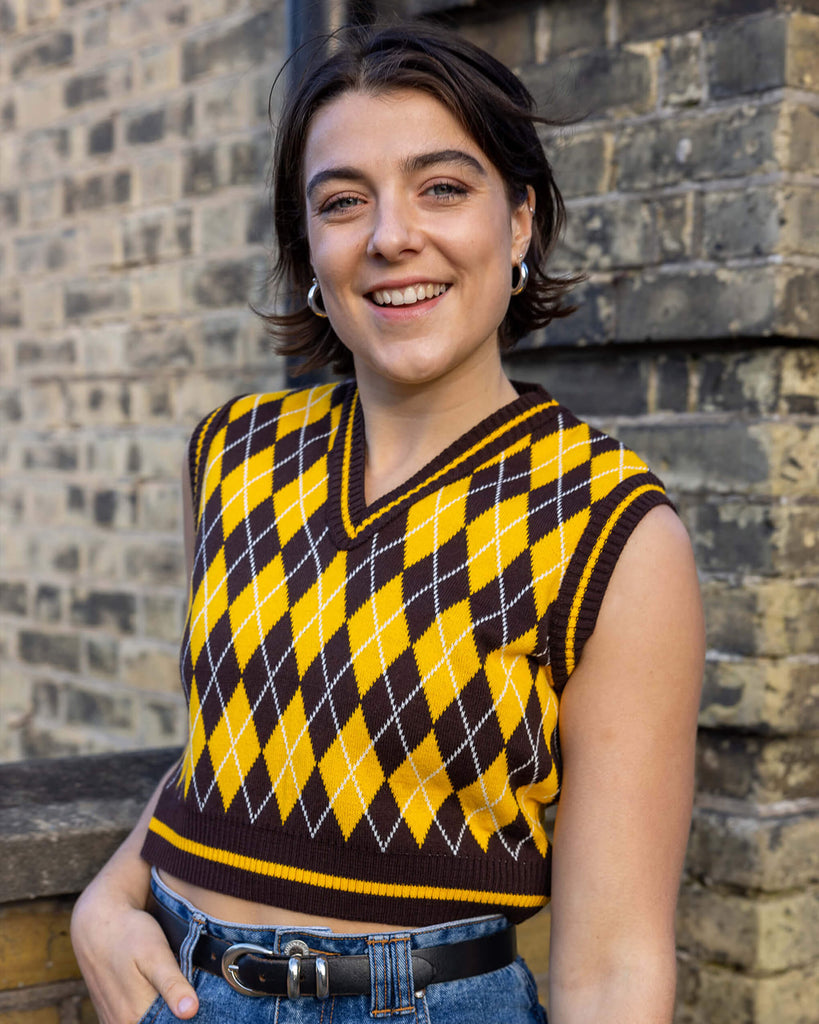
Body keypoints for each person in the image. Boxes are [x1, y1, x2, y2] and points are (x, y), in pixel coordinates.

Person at [71, 21, 704, 1024]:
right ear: (309, 252)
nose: (390, 235)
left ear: (521, 222)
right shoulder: (231, 454)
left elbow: (617, 969)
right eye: (342, 202)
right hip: (178, 994)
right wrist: (107, 898)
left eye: (442, 187)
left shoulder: (611, 529)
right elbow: (242, 740)